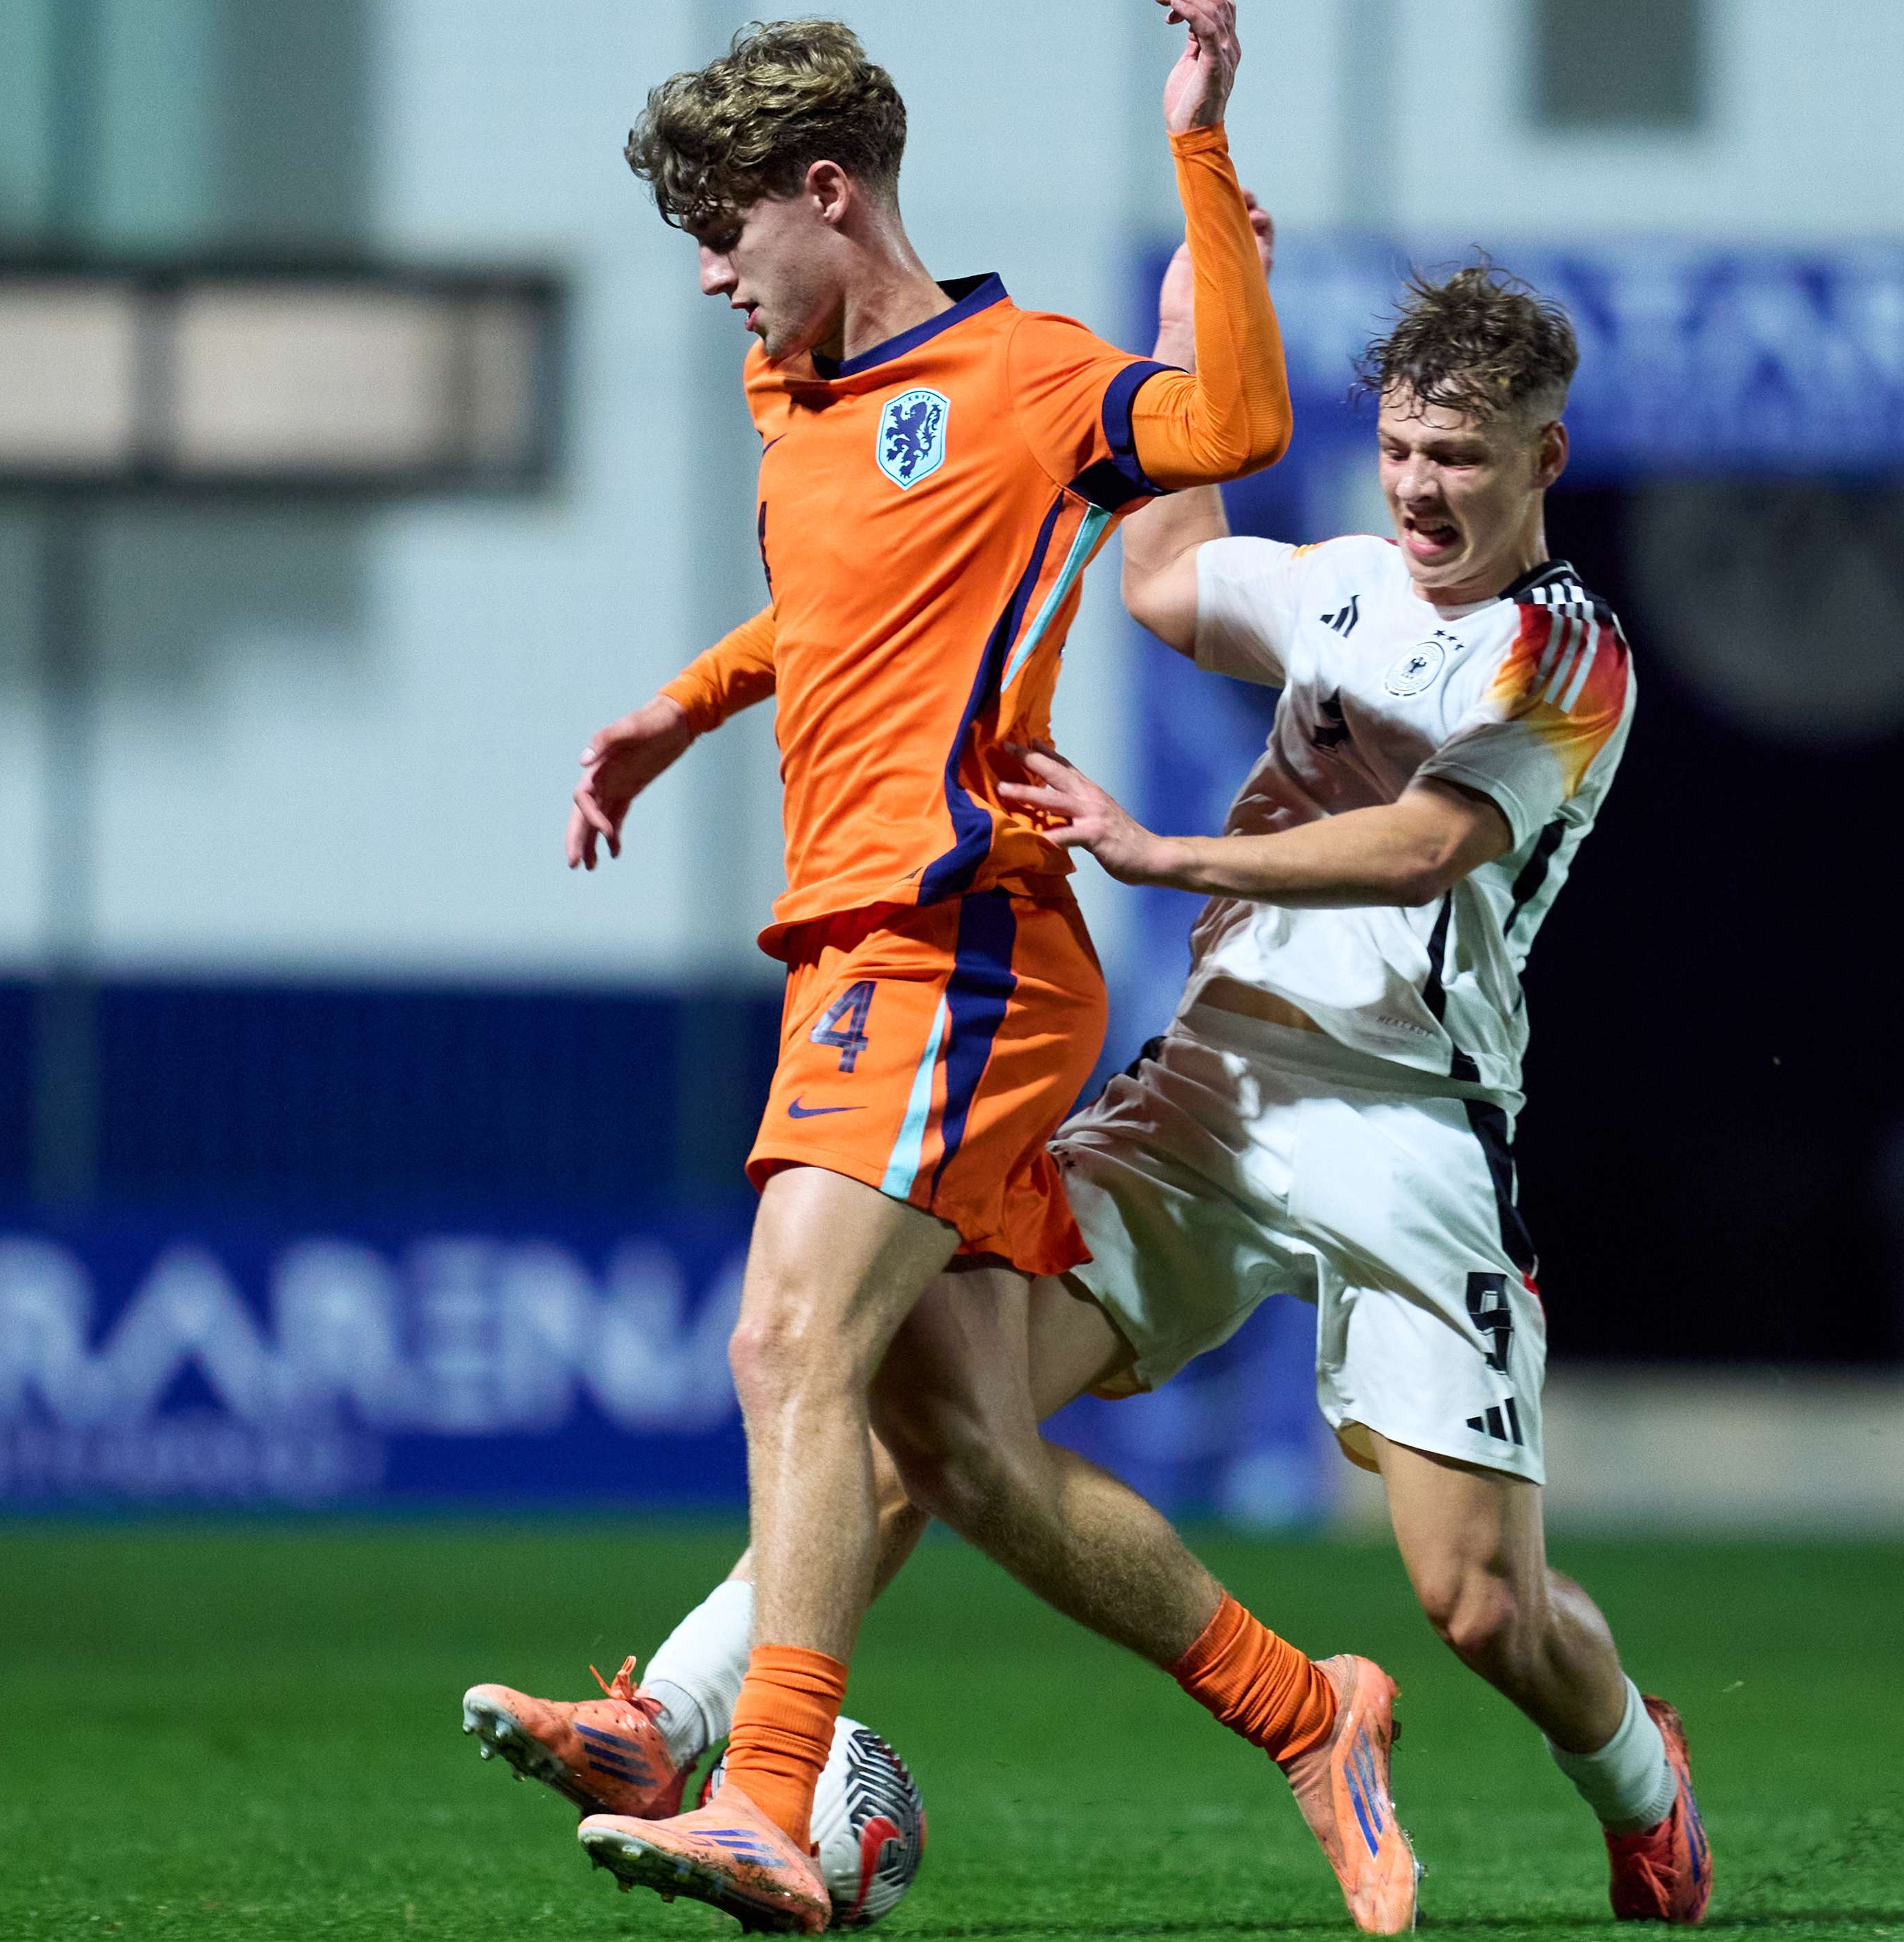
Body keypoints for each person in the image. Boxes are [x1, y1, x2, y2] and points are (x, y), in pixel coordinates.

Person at [506, 260, 1714, 1925]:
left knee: (1480, 1608)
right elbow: (1162, 573)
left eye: (1465, 458)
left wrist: (1168, 850)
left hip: (1411, 1129)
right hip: (1207, 1097)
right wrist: (1187, 331)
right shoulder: (1345, 582)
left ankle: (1642, 1789)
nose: (1425, 489)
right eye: (1404, 451)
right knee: (929, 1406)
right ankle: (679, 1725)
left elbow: (1429, 844)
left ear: (1543, 461)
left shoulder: (1566, 659)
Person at [461, 11, 1418, 1933]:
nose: (715, 277)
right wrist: (679, 708)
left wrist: (1202, 157)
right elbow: (830, 608)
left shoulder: (1027, 378)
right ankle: (1312, 1709)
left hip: (960, 939)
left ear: (833, 193)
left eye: (728, 231)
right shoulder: (790, 399)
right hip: (855, 946)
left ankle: (755, 1784)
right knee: (964, 1448)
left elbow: (1224, 425)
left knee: (782, 1345)